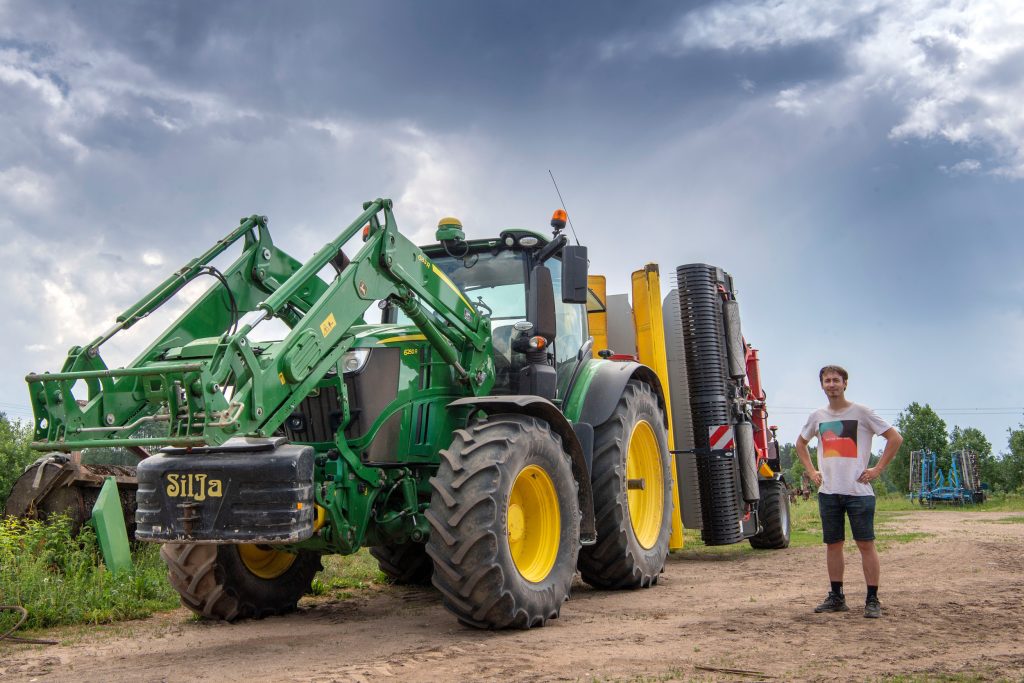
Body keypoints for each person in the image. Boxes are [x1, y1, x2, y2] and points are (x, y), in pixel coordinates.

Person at [795, 365, 903, 618]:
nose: (831, 384)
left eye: (836, 380)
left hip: (859, 492)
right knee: (833, 545)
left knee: (866, 544)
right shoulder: (817, 416)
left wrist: (877, 469)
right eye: (827, 381)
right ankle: (836, 597)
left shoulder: (862, 412)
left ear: (845, 384)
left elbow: (895, 438)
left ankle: (872, 599)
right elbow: (801, 443)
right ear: (821, 385)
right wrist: (812, 472)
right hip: (829, 492)